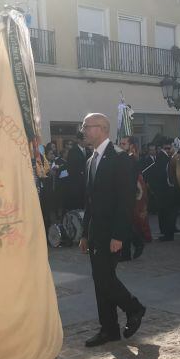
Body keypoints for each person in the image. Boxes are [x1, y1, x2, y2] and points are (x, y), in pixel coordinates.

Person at [79, 113, 146, 346]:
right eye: (83, 126)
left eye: (87, 126)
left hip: (112, 233)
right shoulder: (90, 160)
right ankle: (109, 329)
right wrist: (85, 233)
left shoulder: (120, 158)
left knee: (105, 279)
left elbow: (125, 202)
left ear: (103, 129)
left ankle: (134, 307)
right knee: (100, 281)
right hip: (96, 232)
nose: (84, 130)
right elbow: (89, 201)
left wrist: (119, 235)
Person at [118, 135, 147, 261]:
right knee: (125, 224)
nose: (121, 145)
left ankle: (136, 244)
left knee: (125, 224)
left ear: (131, 146)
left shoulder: (131, 159)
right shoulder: (122, 158)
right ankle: (127, 252)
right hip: (122, 195)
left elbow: (130, 180)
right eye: (120, 143)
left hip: (128, 196)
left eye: (124, 144)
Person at [65, 131, 89, 211]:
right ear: (79, 140)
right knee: (76, 206)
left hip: (86, 184)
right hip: (76, 184)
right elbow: (70, 168)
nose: (87, 141)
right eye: (85, 139)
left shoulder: (88, 151)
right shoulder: (73, 151)